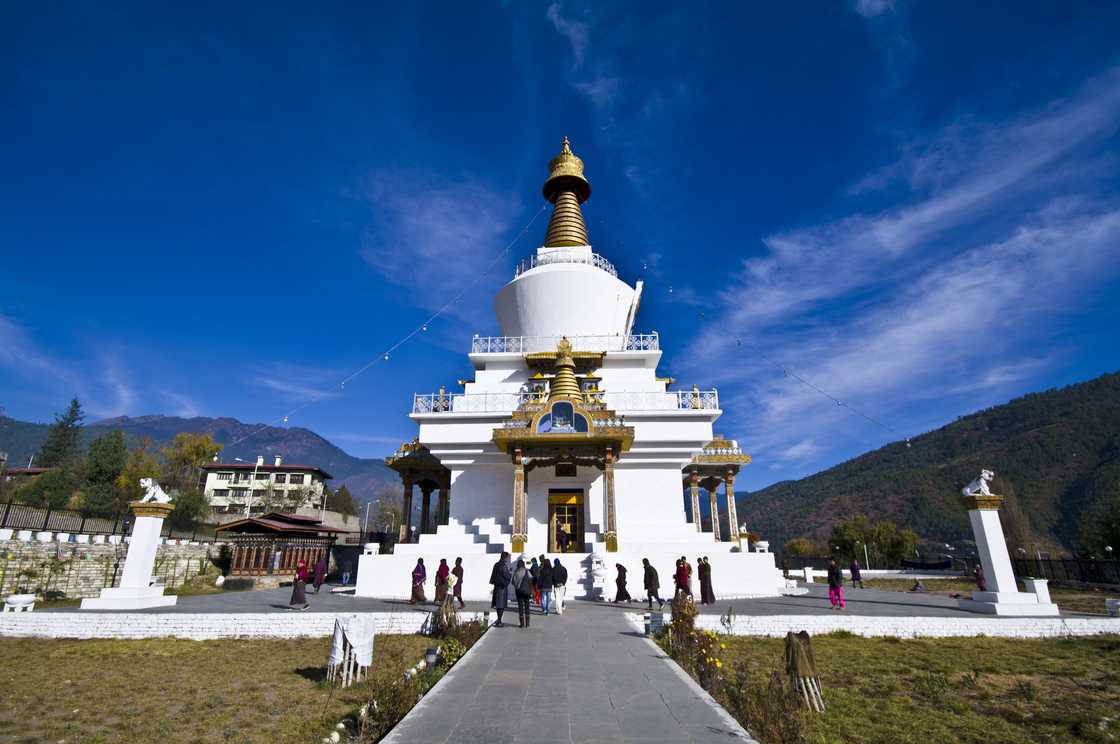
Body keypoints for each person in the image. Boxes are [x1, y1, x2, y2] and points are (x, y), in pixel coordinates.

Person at [489, 552, 512, 627]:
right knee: (501, 604)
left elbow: (493, 575)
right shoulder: (503, 566)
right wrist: (510, 574)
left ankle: (499, 620)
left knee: (498, 604)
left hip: (496, 586)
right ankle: (499, 621)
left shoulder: (496, 564)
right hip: (502, 587)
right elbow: (507, 576)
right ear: (505, 558)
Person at [513, 558, 533, 628]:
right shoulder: (527, 571)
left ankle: (522, 624)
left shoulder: (516, 572)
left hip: (519, 591)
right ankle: (527, 623)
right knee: (527, 606)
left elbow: (513, 582)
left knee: (520, 607)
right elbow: (531, 579)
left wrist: (517, 586)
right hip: (526, 591)